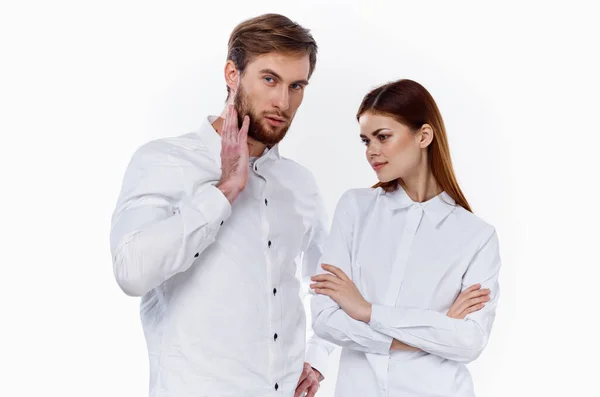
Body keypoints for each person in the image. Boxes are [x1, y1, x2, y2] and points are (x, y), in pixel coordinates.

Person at [109, 13, 335, 397]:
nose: (283, 101)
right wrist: (223, 191)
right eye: (270, 79)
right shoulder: (165, 161)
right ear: (233, 74)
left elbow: (326, 282)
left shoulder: (300, 184)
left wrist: (318, 355)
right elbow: (131, 271)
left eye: (297, 85)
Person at [310, 79, 501, 397]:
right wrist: (437, 327)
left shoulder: (477, 237)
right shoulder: (356, 209)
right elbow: (326, 319)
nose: (372, 151)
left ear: (424, 136)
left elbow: (469, 342)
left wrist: (367, 311)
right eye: (365, 140)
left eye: (382, 137)